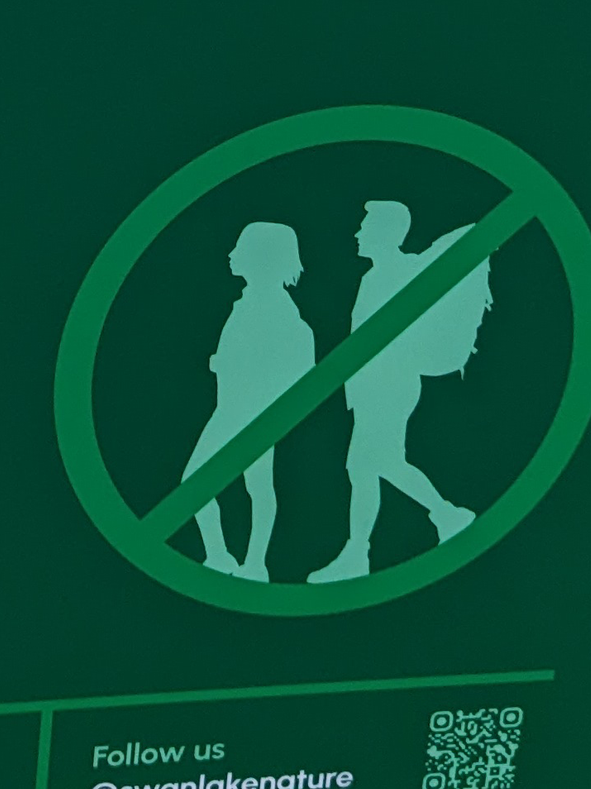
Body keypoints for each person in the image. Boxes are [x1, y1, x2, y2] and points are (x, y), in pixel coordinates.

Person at [308, 199, 490, 584]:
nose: (358, 233)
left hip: (392, 386)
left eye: (365, 226)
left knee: (369, 465)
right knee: (369, 466)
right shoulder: (371, 277)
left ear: (386, 233)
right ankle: (429, 521)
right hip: (371, 387)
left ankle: (368, 548)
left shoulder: (403, 272)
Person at [182, 220, 315, 580]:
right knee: (246, 486)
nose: (231, 255)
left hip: (244, 413)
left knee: (207, 483)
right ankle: (228, 559)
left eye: (241, 249)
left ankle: (246, 561)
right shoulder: (249, 303)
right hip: (235, 409)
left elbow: (298, 362)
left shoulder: (273, 308)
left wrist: (230, 366)